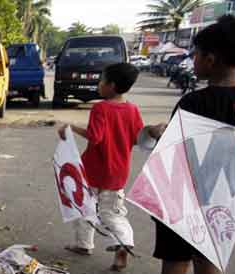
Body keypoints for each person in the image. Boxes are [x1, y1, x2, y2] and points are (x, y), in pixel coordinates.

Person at [144, 15, 235, 274]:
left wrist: (155, 132)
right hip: (225, 200)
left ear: (210, 59)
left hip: (184, 198)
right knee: (209, 257)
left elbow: (174, 153)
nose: (193, 60)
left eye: (196, 54)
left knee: (176, 259)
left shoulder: (194, 102)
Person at [58, 63, 144, 271]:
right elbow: (138, 139)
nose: (99, 84)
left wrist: (71, 128)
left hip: (93, 170)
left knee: (84, 206)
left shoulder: (101, 108)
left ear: (111, 85)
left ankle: (83, 244)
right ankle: (123, 243)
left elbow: (95, 137)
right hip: (118, 172)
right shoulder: (132, 109)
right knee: (113, 212)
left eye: (101, 80)